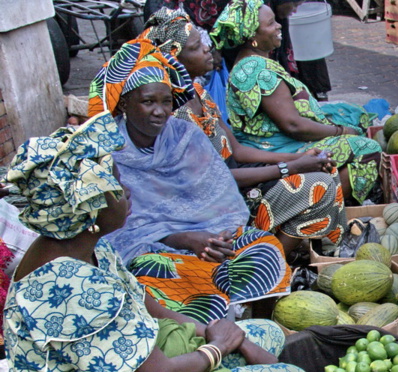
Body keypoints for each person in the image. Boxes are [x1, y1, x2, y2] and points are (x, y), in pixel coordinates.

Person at [2, 113, 302, 371]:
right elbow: (157, 369)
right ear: (89, 205)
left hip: (156, 355)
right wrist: (220, 346)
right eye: (118, 187)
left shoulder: (88, 244)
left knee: (266, 334)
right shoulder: (72, 288)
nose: (129, 192)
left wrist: (233, 339)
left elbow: (156, 310)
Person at [87, 39, 296, 324]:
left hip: (207, 237)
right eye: (148, 101)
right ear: (124, 103)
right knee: (164, 277)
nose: (160, 111)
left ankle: (259, 325)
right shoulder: (107, 152)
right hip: (144, 250)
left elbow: (216, 198)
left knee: (264, 246)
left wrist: (215, 239)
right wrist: (184, 239)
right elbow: (116, 230)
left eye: (165, 101)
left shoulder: (186, 136)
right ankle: (205, 338)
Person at [139, 7, 345, 258]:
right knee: (319, 185)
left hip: (235, 182)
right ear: (173, 61)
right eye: (194, 48)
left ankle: (305, 251)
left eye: (201, 42)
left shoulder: (198, 94)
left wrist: (301, 160)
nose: (206, 49)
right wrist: (291, 168)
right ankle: (271, 262)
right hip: (213, 205)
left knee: (322, 168)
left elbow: (238, 150)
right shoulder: (173, 116)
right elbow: (211, 180)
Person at [211, 0, 383, 205]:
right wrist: (342, 131)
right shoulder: (259, 71)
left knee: (351, 117)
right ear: (252, 37)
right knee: (367, 147)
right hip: (279, 151)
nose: (279, 26)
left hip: (272, 145)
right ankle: (323, 205)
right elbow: (293, 125)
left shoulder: (248, 63)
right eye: (271, 24)